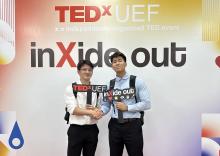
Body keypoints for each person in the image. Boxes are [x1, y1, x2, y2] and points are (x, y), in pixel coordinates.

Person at [101, 52, 151, 156]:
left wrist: (127, 107)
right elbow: (106, 105)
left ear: (125, 63)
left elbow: (147, 104)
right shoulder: (109, 84)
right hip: (114, 126)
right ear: (112, 66)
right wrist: (100, 111)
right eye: (114, 62)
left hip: (132, 125)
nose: (117, 63)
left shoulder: (137, 81)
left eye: (120, 60)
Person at [65, 60, 102, 156]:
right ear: (78, 71)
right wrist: (90, 112)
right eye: (84, 69)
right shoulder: (71, 88)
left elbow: (98, 108)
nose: (87, 72)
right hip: (76, 130)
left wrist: (97, 112)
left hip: (92, 129)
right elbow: (72, 109)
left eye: (90, 70)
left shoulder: (96, 89)